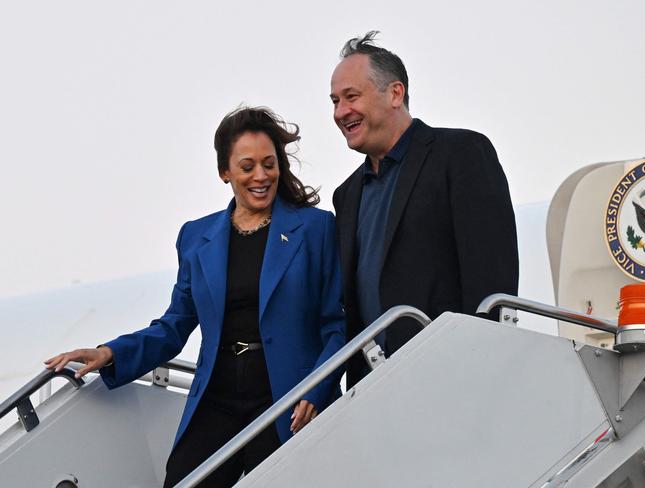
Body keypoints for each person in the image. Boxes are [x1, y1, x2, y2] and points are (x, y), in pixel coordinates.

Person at [45, 107, 346, 487]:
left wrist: (315, 391)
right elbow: (174, 326)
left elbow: (335, 326)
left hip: (286, 397)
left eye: (269, 164)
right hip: (217, 395)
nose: (261, 176)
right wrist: (110, 353)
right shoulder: (195, 237)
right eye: (247, 166)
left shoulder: (316, 228)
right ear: (225, 172)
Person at [329, 31, 519, 388]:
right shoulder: (346, 195)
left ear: (395, 93)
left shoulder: (461, 154)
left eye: (351, 97)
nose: (341, 112)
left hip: (453, 378)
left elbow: (492, 282)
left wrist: (480, 371)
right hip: (372, 394)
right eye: (335, 101)